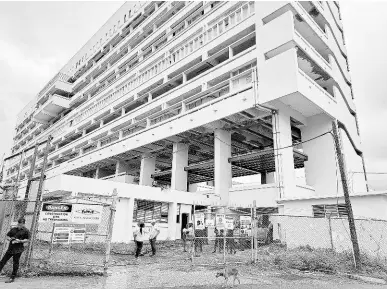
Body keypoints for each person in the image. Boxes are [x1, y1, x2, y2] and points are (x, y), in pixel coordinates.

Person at [0, 218, 30, 283]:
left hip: (18, 250)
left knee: (15, 263)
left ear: (24, 224)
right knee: (3, 261)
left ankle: (12, 277)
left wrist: (20, 241)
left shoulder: (26, 231)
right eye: (18, 224)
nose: (19, 225)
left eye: (21, 224)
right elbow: (8, 236)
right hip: (10, 249)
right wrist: (10, 239)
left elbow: (27, 240)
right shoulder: (13, 229)